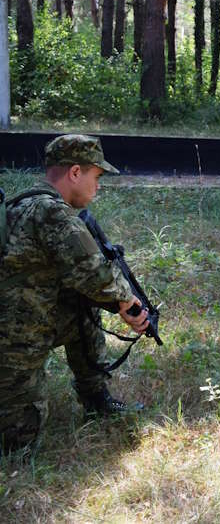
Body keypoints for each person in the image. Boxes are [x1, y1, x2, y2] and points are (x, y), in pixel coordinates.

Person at [0, 135, 150, 454]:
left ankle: (96, 398)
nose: (98, 187)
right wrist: (128, 303)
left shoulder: (23, 202)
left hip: (24, 321)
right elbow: (94, 271)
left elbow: (81, 280)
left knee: (82, 309)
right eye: (96, 177)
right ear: (75, 173)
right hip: (14, 337)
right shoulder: (51, 212)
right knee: (18, 442)